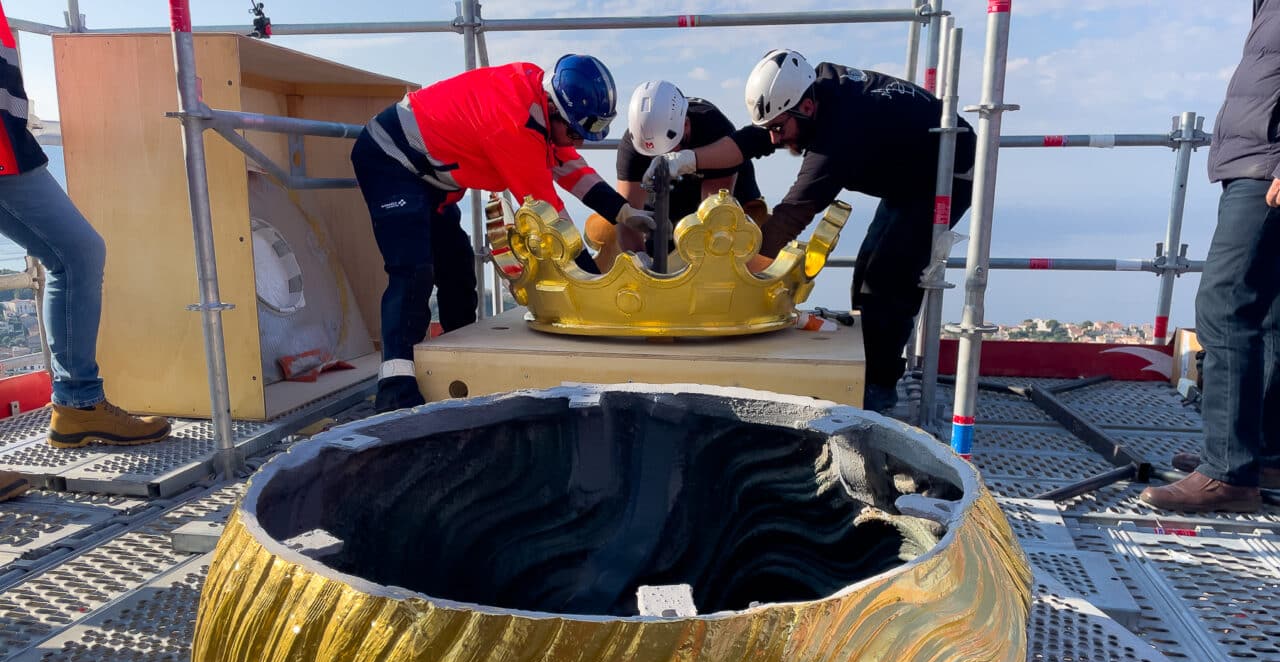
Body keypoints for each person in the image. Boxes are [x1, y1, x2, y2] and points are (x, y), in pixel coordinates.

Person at [644, 49, 976, 414]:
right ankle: (873, 373)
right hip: (910, 175)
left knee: (887, 279)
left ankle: (878, 395)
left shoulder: (842, 130)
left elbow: (795, 211)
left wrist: (745, 274)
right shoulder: (809, 92)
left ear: (805, 108)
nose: (774, 140)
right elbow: (748, 141)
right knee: (866, 270)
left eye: (778, 129)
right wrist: (686, 161)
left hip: (942, 179)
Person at [352, 54, 655, 413]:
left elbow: (571, 167)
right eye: (576, 131)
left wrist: (623, 212)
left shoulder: (540, 106)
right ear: (555, 110)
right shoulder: (512, 122)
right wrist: (598, 286)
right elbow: (551, 219)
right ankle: (395, 392)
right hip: (390, 160)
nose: (580, 141)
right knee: (413, 270)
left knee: (458, 269)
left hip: (429, 177)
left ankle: (454, 362)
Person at [0, 3, 170, 449]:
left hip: (9, 142)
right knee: (77, 253)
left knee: (79, 253)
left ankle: (77, 405)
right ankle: (78, 402)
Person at [1140, 0, 1280, 514]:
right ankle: (1258, 452)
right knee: (1267, 313)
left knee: (1225, 306)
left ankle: (1228, 473)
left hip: (1268, 166)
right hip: (1258, 161)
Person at [584, 80, 770, 272]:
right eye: (653, 154)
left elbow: (714, 217)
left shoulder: (713, 129)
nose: (660, 157)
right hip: (667, 198)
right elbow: (628, 217)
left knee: (730, 248)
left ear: (686, 126)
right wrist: (640, 261)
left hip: (726, 195)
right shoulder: (633, 145)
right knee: (640, 245)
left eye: (666, 150)